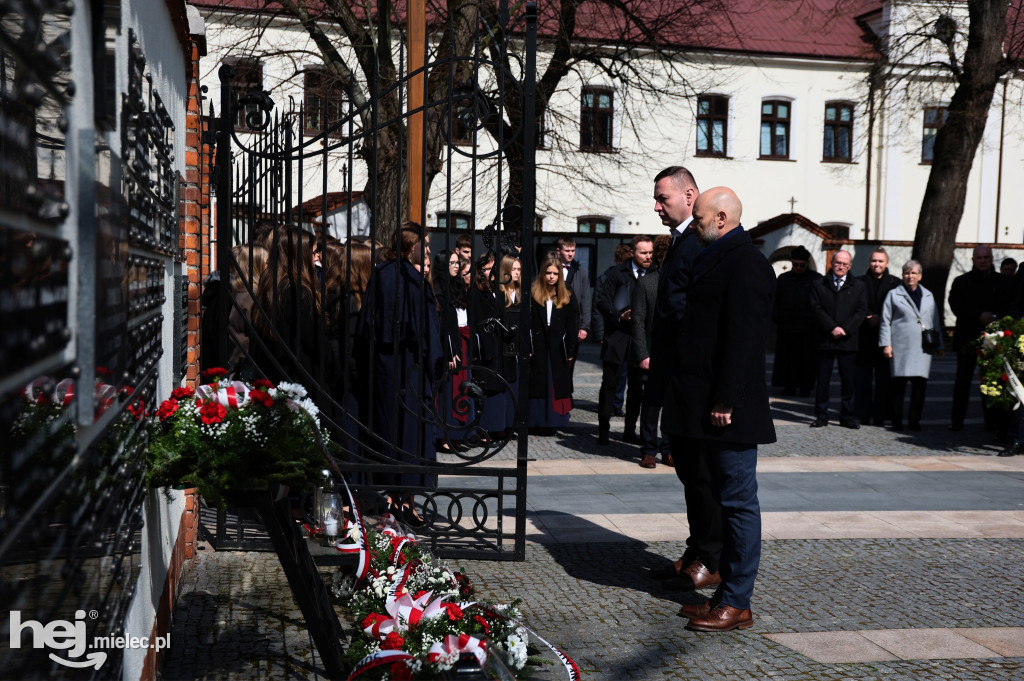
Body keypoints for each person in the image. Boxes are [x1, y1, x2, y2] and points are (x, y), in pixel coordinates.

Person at [661, 187, 776, 632]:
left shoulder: (746, 262)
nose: (697, 224)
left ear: (723, 217)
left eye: (703, 217)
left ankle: (737, 602)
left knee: (739, 502)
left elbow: (745, 337)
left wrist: (726, 397)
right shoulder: (720, 255)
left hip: (732, 407)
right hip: (708, 402)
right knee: (726, 501)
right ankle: (725, 593)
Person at [646, 166, 720, 593]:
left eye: (663, 198)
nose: (657, 206)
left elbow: (685, 307)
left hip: (692, 376)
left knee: (702, 472)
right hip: (675, 375)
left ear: (689, 195)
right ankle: (697, 549)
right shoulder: (682, 239)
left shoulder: (700, 240)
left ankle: (711, 557)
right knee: (688, 472)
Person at [358, 223, 444, 512]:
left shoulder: (380, 274)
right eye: (425, 244)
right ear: (411, 246)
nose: (429, 250)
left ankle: (394, 496)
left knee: (389, 431)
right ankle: (406, 501)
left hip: (384, 369)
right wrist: (436, 369)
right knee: (410, 434)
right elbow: (429, 332)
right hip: (412, 368)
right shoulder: (413, 280)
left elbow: (365, 326)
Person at [594, 235, 653, 445]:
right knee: (610, 384)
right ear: (633, 253)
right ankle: (603, 429)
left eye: (650, 253)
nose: (648, 257)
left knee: (637, 388)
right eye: (643, 253)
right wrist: (618, 315)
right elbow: (602, 301)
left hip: (641, 338)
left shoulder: (654, 273)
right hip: (618, 335)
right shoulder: (617, 273)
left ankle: (629, 430)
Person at [949, 245, 1014, 433]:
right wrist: (978, 316)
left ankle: (991, 423)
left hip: (995, 339)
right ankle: (956, 421)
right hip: (968, 338)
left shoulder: (1004, 282)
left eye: (986, 257)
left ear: (991, 258)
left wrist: (993, 318)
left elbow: (1010, 307)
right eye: (979, 258)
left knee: (991, 383)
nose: (983, 261)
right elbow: (956, 306)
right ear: (973, 259)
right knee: (962, 381)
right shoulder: (961, 282)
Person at [879, 260, 944, 431]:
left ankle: (914, 421)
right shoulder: (893, 294)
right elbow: (885, 321)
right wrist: (886, 344)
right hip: (900, 346)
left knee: (919, 387)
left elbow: (935, 320)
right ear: (902, 275)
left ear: (920, 276)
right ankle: (897, 420)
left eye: (914, 273)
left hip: (923, 347)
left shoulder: (929, 295)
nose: (910, 276)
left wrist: (940, 345)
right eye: (907, 272)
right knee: (898, 386)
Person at [809, 250, 868, 428]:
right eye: (838, 263)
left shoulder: (859, 286)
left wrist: (845, 329)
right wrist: (831, 327)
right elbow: (815, 308)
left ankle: (847, 416)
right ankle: (821, 415)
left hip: (847, 339)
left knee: (848, 381)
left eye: (845, 264)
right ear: (831, 263)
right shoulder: (818, 284)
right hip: (825, 339)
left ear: (850, 266)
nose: (841, 266)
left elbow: (861, 311)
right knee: (823, 380)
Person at [631, 233, 672, 468]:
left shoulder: (683, 283)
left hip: (674, 354)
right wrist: (642, 354)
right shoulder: (646, 283)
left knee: (671, 404)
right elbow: (637, 321)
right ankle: (648, 450)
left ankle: (668, 448)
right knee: (651, 405)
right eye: (664, 255)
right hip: (652, 352)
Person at [527, 255, 581, 432]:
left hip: (559, 345)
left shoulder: (568, 295)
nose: (551, 276)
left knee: (556, 382)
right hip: (539, 342)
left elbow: (573, 324)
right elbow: (527, 322)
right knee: (539, 381)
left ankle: (555, 421)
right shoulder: (533, 293)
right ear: (543, 273)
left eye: (555, 274)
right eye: (548, 273)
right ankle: (536, 421)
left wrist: (571, 350)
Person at [854, 248, 901, 425]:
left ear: (887, 263)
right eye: (874, 261)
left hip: (887, 336)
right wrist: (868, 316)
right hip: (864, 335)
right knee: (862, 379)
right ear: (869, 262)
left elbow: (898, 308)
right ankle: (863, 413)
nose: (877, 264)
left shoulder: (895, 283)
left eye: (881, 261)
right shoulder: (859, 282)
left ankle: (881, 414)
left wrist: (880, 318)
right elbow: (855, 304)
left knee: (884, 379)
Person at [771, 246, 822, 397]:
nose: (798, 268)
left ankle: (806, 387)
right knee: (787, 360)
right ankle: (789, 386)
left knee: (806, 361)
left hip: (808, 328)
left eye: (801, 265)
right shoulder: (784, 279)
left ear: (807, 264)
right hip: (787, 326)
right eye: (795, 265)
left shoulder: (816, 279)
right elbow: (776, 301)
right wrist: (778, 318)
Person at [591, 242, 634, 417]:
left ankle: (617, 403)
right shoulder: (606, 278)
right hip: (613, 332)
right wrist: (600, 333)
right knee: (612, 375)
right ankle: (611, 406)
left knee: (624, 373)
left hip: (628, 334)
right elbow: (598, 307)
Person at [499, 256, 523, 429]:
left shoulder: (522, 292)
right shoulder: (500, 293)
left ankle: (514, 423)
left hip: (519, 347)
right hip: (504, 346)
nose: (516, 273)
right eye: (514, 269)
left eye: (519, 269)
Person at [556, 236, 591, 345]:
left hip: (574, 321)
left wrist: (584, 326)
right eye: (567, 251)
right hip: (555, 319)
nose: (570, 254)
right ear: (558, 251)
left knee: (571, 358)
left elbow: (586, 300)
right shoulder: (550, 269)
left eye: (573, 251)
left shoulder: (581, 272)